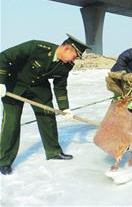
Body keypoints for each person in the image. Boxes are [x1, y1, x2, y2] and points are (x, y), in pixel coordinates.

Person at [0, 34, 91, 175]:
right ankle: (4, 161)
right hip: (14, 85)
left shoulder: (67, 66)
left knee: (48, 118)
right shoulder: (36, 47)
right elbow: (4, 57)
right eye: (76, 55)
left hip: (39, 89)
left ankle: (54, 152)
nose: (76, 59)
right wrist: (1, 81)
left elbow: (60, 86)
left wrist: (65, 108)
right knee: (11, 123)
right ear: (67, 48)